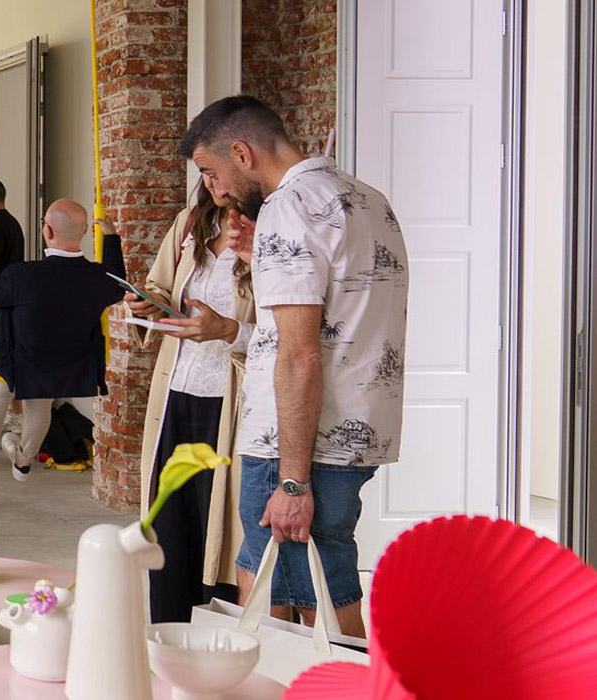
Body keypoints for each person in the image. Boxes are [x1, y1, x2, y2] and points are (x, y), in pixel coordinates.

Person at [182, 95, 405, 638]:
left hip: (296, 444)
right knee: (319, 586)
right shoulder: (366, 199)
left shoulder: (288, 207)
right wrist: (261, 261)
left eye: (211, 172)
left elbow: (300, 353)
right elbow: (342, 319)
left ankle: (326, 681)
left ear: (242, 153)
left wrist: (293, 482)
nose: (215, 191)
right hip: (354, 431)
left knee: (285, 596)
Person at [127, 181, 257, 623]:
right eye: (204, 172)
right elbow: (159, 286)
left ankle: (215, 638)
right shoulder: (189, 224)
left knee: (220, 528)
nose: (212, 181)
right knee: (170, 521)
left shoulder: (267, 232)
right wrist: (148, 304)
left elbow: (285, 332)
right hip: (176, 392)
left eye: (215, 169)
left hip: (231, 401)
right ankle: (168, 634)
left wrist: (227, 330)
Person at [0, 200, 124, 482]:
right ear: (85, 231)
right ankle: (24, 461)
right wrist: (111, 238)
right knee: (40, 405)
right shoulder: (99, 278)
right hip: (60, 365)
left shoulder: (22, 275)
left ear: (47, 231)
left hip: (15, 361)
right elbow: (118, 282)